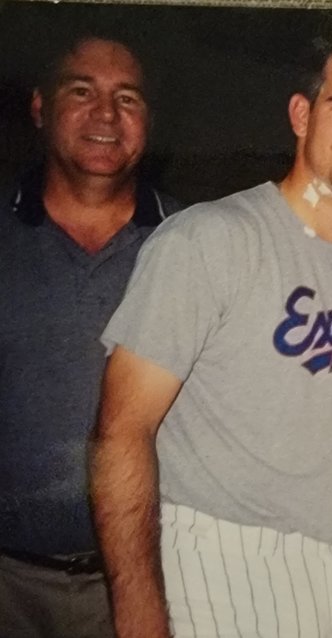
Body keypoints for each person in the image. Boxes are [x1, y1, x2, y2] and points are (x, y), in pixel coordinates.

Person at [89, 39, 332, 638]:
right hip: (221, 560)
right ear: (301, 116)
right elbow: (121, 431)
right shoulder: (209, 241)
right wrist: (136, 608)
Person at [0, 34, 176, 637]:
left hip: (150, 581)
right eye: (83, 91)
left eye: (127, 98)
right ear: (40, 107)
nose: (106, 114)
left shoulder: (195, 245)